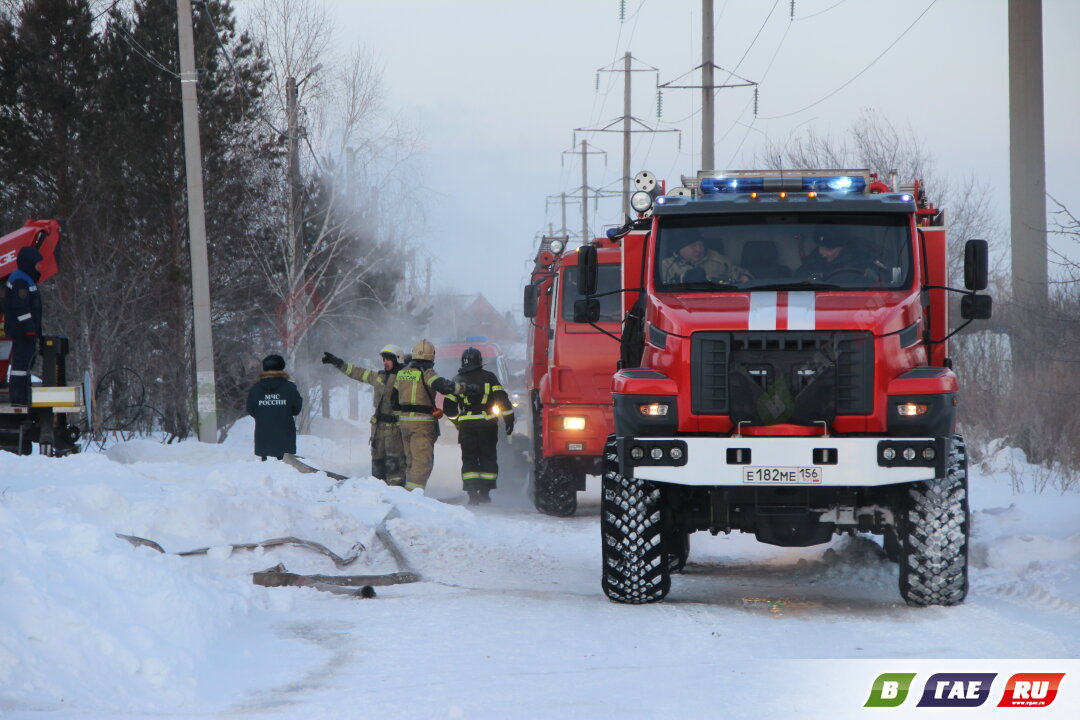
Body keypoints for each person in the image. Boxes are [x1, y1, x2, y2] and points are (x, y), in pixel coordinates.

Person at [390, 338, 471, 492]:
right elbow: (445, 387)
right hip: (422, 424)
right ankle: (413, 497)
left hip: (404, 423)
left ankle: (407, 493)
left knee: (411, 460)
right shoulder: (427, 373)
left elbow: (393, 400)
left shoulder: (402, 373)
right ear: (431, 355)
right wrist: (466, 389)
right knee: (422, 462)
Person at [321, 344, 407, 487]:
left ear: (398, 359)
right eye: (384, 359)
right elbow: (357, 373)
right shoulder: (379, 377)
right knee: (377, 467)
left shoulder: (405, 378)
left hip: (395, 431)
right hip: (378, 431)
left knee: (395, 466)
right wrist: (339, 363)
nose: (385, 362)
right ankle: (379, 496)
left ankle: (399, 497)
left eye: (388, 359)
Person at [442, 347, 515, 505]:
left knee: (469, 459)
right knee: (487, 457)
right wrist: (509, 420)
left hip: (467, 427)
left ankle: (472, 495)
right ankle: (485, 492)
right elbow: (503, 400)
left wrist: (457, 421)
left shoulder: (457, 379)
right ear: (480, 361)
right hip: (487, 425)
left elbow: (448, 408)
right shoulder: (490, 377)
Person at [4, 246, 44, 406]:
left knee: (26, 362)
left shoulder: (24, 278)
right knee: (21, 364)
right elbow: (21, 308)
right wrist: (29, 329)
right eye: (37, 264)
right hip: (22, 332)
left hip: (25, 332)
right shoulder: (20, 280)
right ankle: (19, 397)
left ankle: (23, 394)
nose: (39, 267)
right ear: (29, 263)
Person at [246, 354, 303, 462]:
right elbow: (297, 409)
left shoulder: (255, 389)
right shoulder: (290, 388)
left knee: (264, 472)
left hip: (263, 438)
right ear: (282, 367)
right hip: (285, 439)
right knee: (285, 472)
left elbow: (250, 409)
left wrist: (263, 414)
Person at [661, 234, 752, 286]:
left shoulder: (718, 260)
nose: (699, 249)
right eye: (693, 246)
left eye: (701, 245)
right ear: (681, 250)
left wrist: (744, 276)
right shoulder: (667, 266)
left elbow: (739, 273)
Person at [797, 232, 884, 282]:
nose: (821, 252)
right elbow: (803, 271)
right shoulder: (817, 257)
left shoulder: (859, 256)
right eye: (820, 248)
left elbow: (883, 275)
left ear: (840, 248)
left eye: (827, 249)